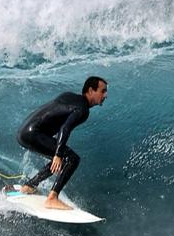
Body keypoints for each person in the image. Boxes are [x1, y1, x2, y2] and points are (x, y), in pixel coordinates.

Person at [12, 76, 108, 210]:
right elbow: (65, 128)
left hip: (24, 132)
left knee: (62, 157)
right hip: (34, 133)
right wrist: (58, 154)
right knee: (72, 159)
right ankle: (52, 198)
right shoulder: (82, 110)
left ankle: (29, 186)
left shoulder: (69, 96)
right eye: (102, 91)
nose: (105, 95)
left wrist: (59, 154)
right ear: (91, 90)